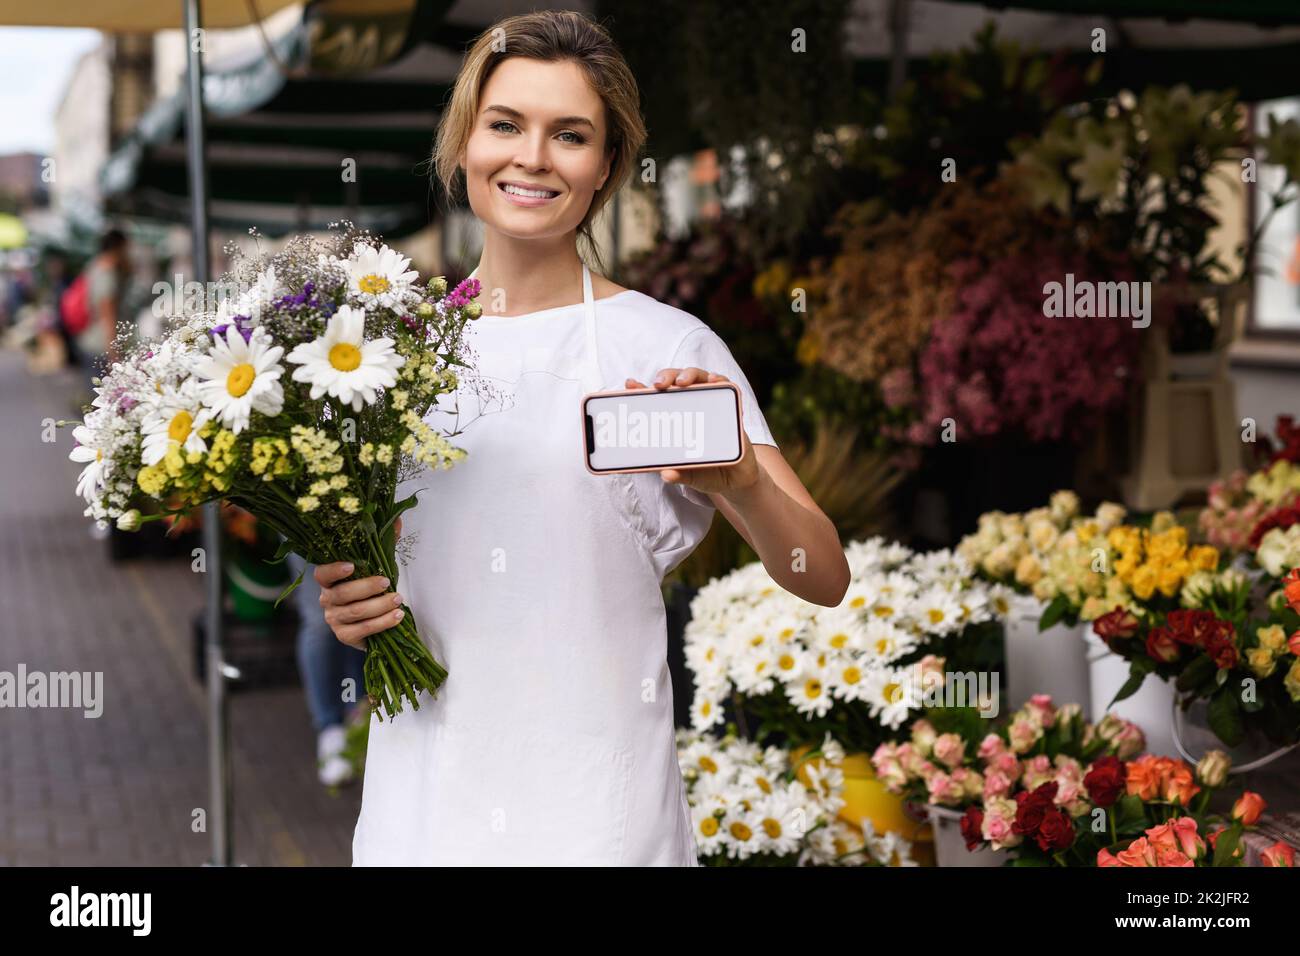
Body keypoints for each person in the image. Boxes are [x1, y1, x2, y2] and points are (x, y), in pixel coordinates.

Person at [314, 10, 850, 866]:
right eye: (505, 125)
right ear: (462, 148)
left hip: (600, 815)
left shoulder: (668, 348)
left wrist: (743, 480)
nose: (532, 157)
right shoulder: (382, 358)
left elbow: (820, 576)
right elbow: (391, 568)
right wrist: (350, 601)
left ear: (605, 169)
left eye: (570, 135)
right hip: (421, 802)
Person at [286, 551, 368, 787]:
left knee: (360, 609)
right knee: (320, 619)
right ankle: (330, 726)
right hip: (307, 520)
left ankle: (359, 714)